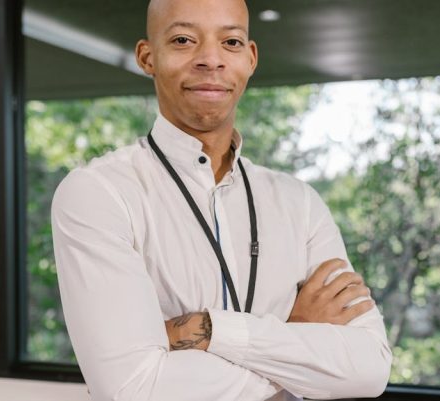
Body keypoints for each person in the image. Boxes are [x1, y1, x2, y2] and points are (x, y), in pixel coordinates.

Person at [50, 0, 392, 399]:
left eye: (230, 41)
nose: (210, 59)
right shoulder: (99, 193)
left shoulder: (300, 203)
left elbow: (369, 368)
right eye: (183, 39)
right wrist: (296, 335)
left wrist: (210, 331)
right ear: (148, 57)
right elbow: (134, 389)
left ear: (250, 58)